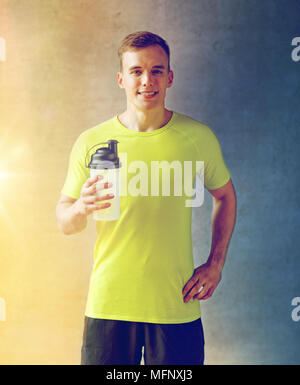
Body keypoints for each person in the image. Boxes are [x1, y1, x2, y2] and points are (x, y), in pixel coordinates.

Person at [56, 31, 237, 365]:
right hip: (109, 305)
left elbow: (225, 196)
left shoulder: (196, 137)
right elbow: (65, 221)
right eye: (136, 71)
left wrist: (216, 263)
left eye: (156, 70)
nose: (146, 80)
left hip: (174, 306)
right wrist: (81, 206)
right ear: (121, 79)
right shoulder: (92, 141)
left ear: (169, 77)